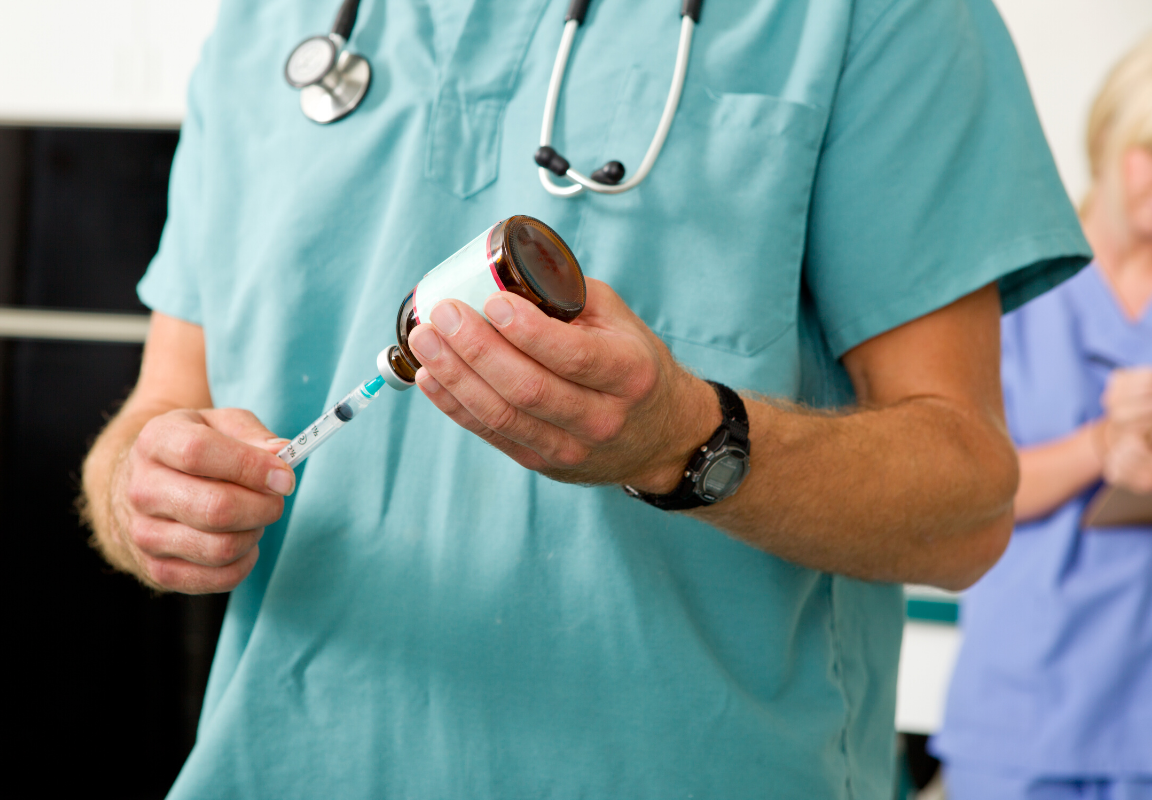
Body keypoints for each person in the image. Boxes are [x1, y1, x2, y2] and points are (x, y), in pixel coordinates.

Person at [79, 1, 1090, 797]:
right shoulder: (268, 20)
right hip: (286, 768)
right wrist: (144, 492)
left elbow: (967, 503)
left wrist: (682, 440)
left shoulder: (874, 15)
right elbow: (154, 411)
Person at [932, 32, 1152, 800]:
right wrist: (1104, 445)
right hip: (1025, 702)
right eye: (1149, 148)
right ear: (1109, 139)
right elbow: (966, 487)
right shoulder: (1018, 283)